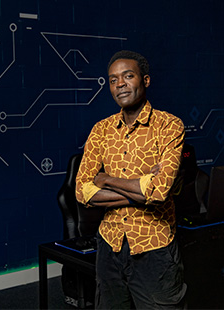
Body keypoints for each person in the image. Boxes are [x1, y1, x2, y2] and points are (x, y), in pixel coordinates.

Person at [75, 50, 187, 309]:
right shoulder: (101, 130)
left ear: (145, 80)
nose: (120, 84)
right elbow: (82, 191)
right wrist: (142, 186)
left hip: (155, 248)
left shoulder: (169, 126)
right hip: (109, 246)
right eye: (113, 80)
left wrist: (105, 179)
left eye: (128, 76)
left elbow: (158, 193)